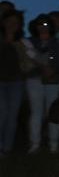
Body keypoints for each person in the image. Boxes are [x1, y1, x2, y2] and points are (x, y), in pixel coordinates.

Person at [23, 14, 59, 153]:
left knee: (52, 112)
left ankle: (53, 144)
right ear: (35, 26)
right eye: (40, 24)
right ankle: (35, 144)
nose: (42, 27)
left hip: (53, 81)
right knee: (36, 112)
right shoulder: (29, 41)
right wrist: (41, 68)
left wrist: (52, 71)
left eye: (45, 24)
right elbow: (27, 60)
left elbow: (58, 60)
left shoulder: (56, 42)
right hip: (34, 80)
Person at [0, 10, 27, 155]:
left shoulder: (22, 41)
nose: (12, 25)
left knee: (12, 115)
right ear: (4, 23)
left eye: (16, 22)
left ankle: (7, 148)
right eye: (10, 21)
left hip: (16, 82)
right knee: (2, 113)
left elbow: (29, 60)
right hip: (0, 81)